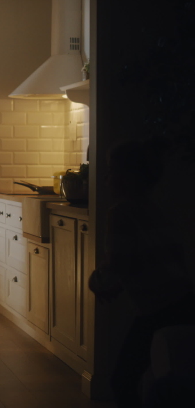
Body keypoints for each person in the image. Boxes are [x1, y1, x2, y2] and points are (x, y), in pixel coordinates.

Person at [88, 136, 195, 407]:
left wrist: (96, 282)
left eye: (111, 171)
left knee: (122, 381)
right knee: (164, 376)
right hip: (182, 302)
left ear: (128, 176)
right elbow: (151, 259)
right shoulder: (155, 208)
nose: (106, 179)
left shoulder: (120, 214)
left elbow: (117, 264)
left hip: (158, 309)